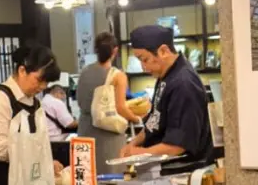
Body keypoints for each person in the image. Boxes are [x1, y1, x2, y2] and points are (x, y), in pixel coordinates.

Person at [0, 44, 63, 185]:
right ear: (22, 71)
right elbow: (0, 150)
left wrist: (47, 162)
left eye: (47, 82)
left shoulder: (36, 103)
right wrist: (38, 159)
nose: (43, 86)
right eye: (40, 79)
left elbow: (38, 144)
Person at [119, 25, 213, 163]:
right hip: (161, 167)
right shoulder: (165, 76)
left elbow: (177, 146)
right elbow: (153, 122)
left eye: (145, 59)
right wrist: (132, 144)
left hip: (183, 170)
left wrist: (140, 152)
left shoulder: (183, 83)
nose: (143, 67)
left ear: (163, 51)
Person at [77, 32, 142, 175]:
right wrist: (136, 118)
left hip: (84, 132)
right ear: (115, 51)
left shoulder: (84, 72)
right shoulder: (118, 76)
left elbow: (80, 101)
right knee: (111, 180)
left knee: (87, 179)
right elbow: (120, 108)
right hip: (108, 136)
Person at [41, 84, 78, 165]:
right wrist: (82, 121)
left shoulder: (42, 101)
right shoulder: (57, 102)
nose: (63, 98)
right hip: (56, 142)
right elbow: (69, 124)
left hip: (45, 140)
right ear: (58, 93)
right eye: (63, 95)